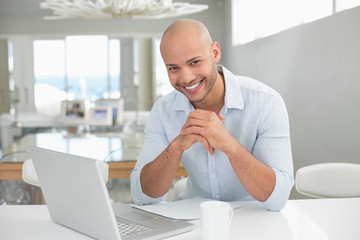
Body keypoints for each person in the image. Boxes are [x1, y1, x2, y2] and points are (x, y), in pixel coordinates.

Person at [130, 19, 294, 211]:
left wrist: (229, 144)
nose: (186, 78)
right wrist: (176, 147)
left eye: (194, 62)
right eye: (173, 68)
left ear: (215, 53)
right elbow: (142, 196)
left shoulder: (266, 103)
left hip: (255, 219)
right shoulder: (163, 110)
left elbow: (279, 198)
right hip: (193, 221)